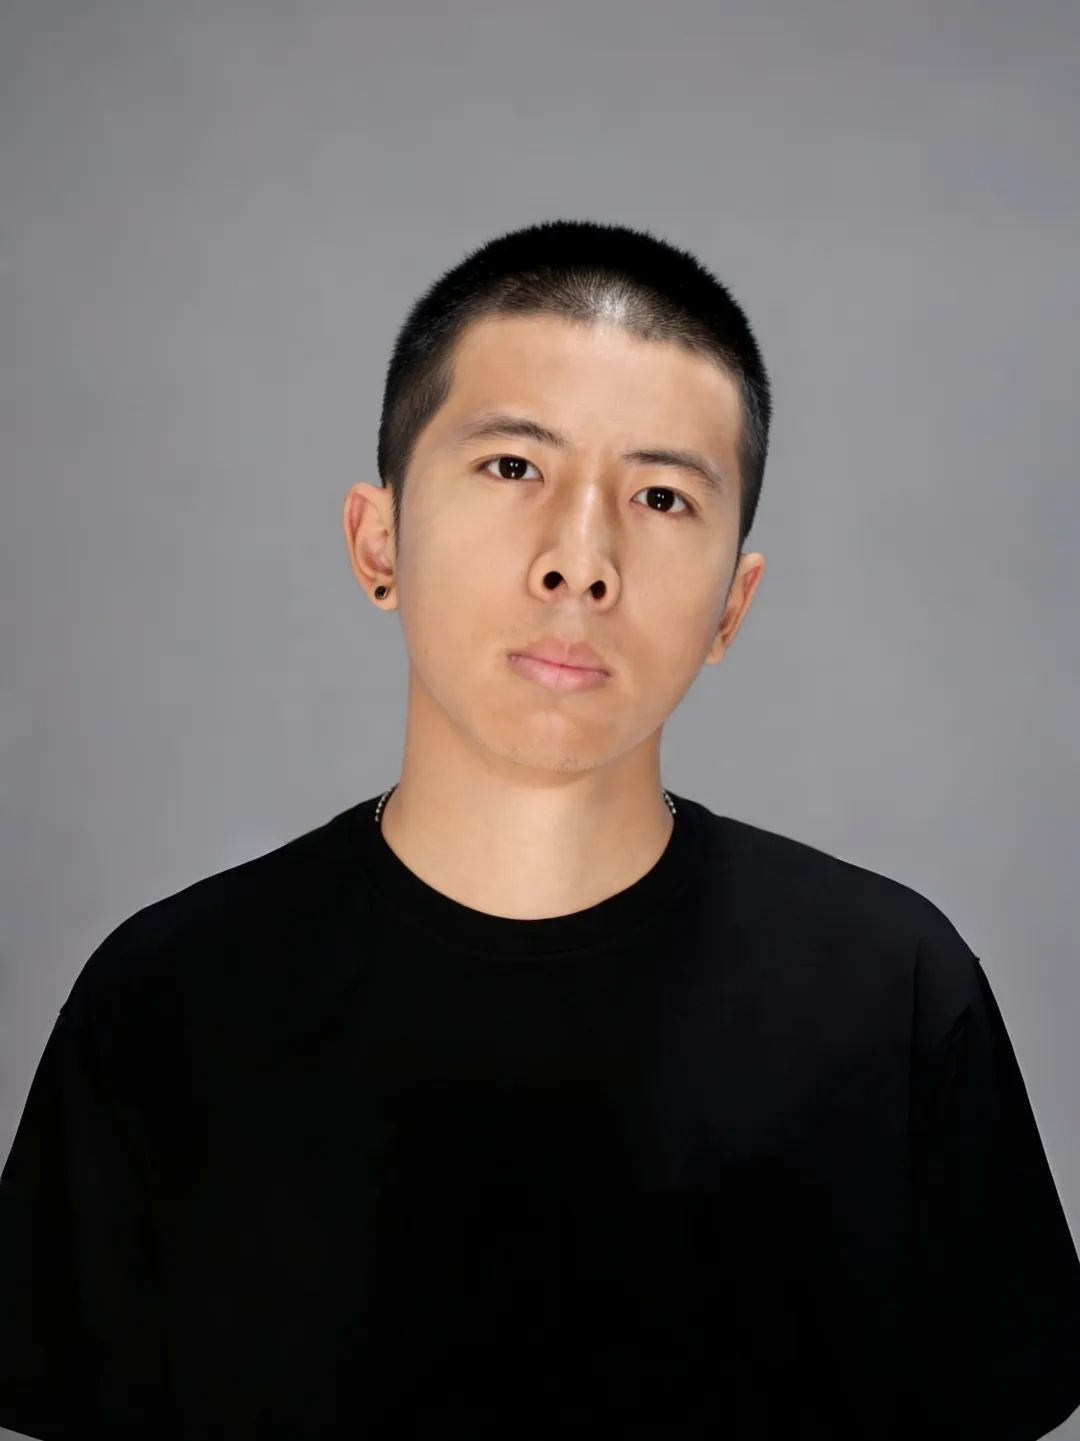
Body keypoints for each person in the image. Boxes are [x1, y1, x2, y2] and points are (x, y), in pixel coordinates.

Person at [2, 218, 1078, 1440]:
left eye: (662, 496)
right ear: (377, 539)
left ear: (732, 606)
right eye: (515, 467)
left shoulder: (896, 998)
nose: (582, 561)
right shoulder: (165, 1002)